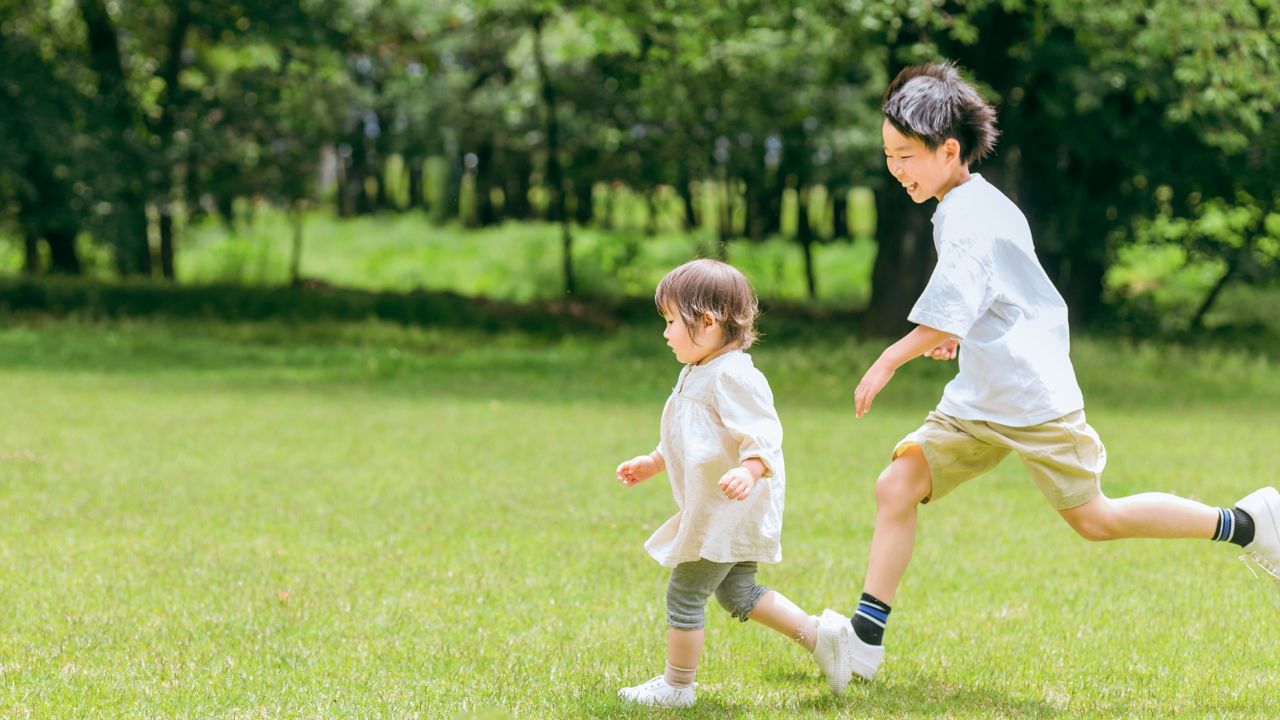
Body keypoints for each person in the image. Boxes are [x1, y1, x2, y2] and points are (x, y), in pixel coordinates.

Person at [843, 61, 1280, 684]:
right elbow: (983, 300)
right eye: (889, 155)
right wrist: (956, 334)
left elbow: (952, 310)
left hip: (1029, 396)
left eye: (906, 156)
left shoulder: (968, 213)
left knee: (1095, 520)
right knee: (897, 485)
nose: (896, 170)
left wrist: (891, 356)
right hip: (980, 397)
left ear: (948, 150)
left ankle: (1248, 523)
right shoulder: (972, 201)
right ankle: (864, 639)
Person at [614, 258, 855, 708]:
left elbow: (763, 434)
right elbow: (695, 437)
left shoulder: (733, 375)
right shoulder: (700, 370)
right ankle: (821, 637)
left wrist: (749, 469)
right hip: (726, 509)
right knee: (737, 592)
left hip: (727, 510)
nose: (665, 333)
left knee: (685, 593)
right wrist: (654, 460)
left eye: (670, 321)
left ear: (706, 322)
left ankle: (677, 687)